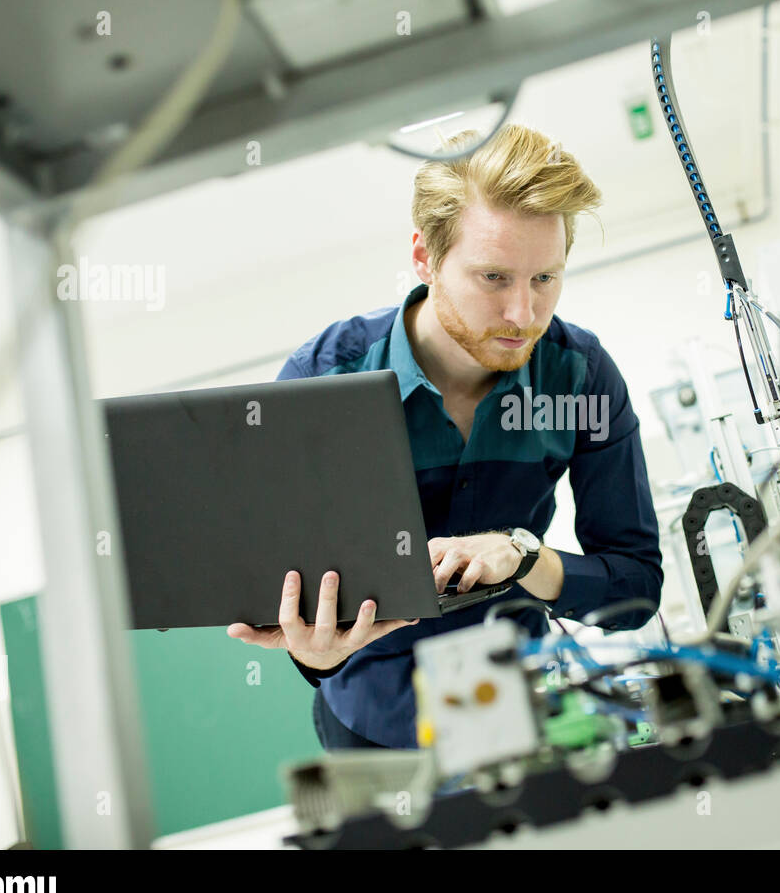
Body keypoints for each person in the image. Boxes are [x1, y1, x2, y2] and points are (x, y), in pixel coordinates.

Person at [228, 123, 663, 749]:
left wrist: (522, 555)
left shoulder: (581, 378)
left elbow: (634, 584)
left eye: (545, 279)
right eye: (494, 278)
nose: (523, 314)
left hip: (518, 712)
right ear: (423, 258)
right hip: (371, 723)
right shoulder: (318, 382)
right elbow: (287, 597)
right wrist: (315, 651)